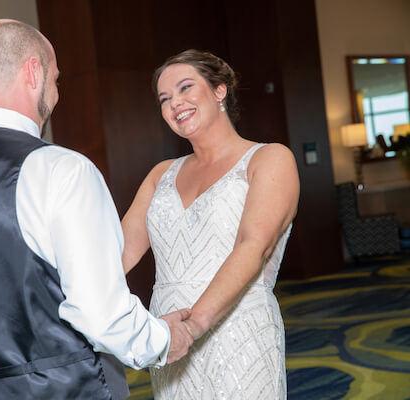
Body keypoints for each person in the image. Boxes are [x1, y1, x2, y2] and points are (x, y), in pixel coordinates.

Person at [0, 19, 193, 399]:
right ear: (34, 72)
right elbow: (101, 314)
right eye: (55, 80)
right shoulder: (64, 170)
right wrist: (164, 341)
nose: (55, 94)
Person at [121, 49, 299, 399]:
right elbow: (120, 251)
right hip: (171, 336)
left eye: (186, 88)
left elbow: (254, 245)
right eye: (165, 98)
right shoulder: (160, 175)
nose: (175, 103)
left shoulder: (269, 158)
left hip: (238, 332)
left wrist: (195, 323)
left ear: (220, 90)